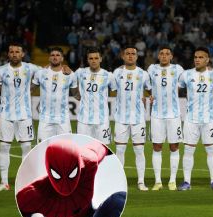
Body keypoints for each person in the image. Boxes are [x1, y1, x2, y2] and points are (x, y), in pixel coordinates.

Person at [16, 139, 126, 217]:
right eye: (58, 175)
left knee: (119, 199)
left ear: (80, 164)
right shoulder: (35, 193)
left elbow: (101, 146)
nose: (66, 187)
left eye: (72, 174)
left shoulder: (89, 161)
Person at [178, 47, 213, 191]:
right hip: (191, 119)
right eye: (196, 57)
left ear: (207, 59)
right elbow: (176, 89)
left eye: (201, 57)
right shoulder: (186, 74)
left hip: (209, 119)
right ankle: (186, 182)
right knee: (188, 151)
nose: (197, 59)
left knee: (211, 150)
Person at [0, 43, 40, 191]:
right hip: (5, 114)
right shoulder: (1, 70)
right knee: (3, 146)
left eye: (17, 52)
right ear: (8, 54)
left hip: (24, 114)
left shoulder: (31, 68)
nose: (14, 54)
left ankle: (25, 181)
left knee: (26, 147)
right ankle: (4, 182)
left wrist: (65, 70)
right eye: (11, 52)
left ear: (22, 54)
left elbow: (49, 72)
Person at [113, 45, 151, 191]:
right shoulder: (117, 73)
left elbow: (149, 90)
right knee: (120, 150)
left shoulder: (143, 74)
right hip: (121, 118)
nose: (130, 56)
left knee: (139, 150)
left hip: (138, 118)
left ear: (136, 56)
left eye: (133, 54)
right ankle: (118, 182)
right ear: (123, 56)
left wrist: (151, 96)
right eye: (127, 53)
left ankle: (141, 182)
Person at [147, 46, 184, 191]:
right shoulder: (152, 69)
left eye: (167, 54)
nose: (164, 56)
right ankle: (157, 181)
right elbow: (146, 84)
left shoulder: (178, 69)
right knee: (157, 147)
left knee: (174, 147)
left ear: (171, 56)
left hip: (174, 114)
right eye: (161, 53)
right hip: (156, 114)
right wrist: (150, 94)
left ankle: (172, 180)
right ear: (158, 55)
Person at [31, 47, 79, 143]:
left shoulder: (70, 74)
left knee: (66, 150)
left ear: (62, 58)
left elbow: (76, 94)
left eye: (58, 55)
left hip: (63, 119)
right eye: (52, 55)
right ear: (49, 58)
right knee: (42, 149)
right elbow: (30, 90)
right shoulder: (40, 73)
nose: (55, 57)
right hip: (45, 119)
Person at [74, 47, 115, 145]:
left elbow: (117, 90)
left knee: (104, 150)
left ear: (101, 59)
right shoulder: (80, 72)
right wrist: (76, 93)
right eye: (91, 58)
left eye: (96, 58)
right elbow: (68, 80)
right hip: (83, 120)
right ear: (87, 60)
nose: (93, 61)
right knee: (82, 150)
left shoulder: (108, 75)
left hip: (102, 120)